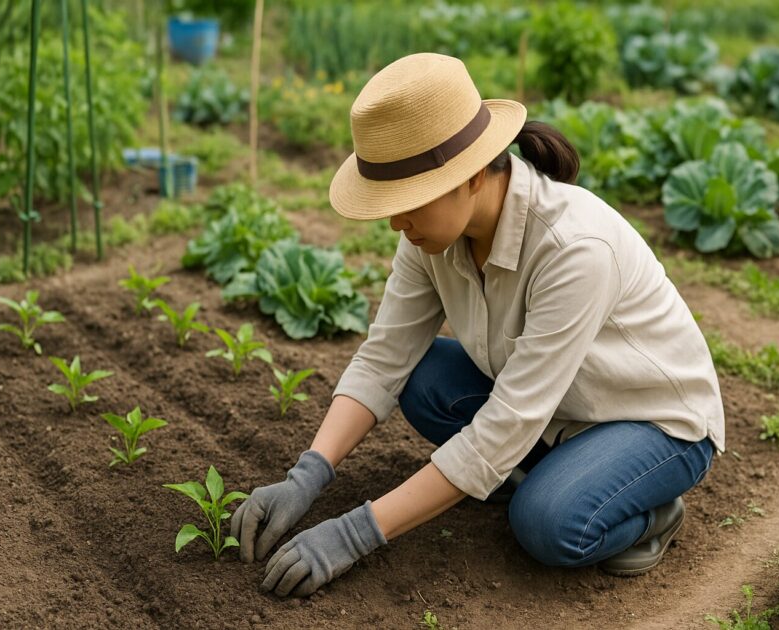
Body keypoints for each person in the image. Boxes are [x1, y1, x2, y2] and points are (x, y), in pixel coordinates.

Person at [230, 52, 725, 598]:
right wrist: (308, 474)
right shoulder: (431, 236)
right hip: (554, 410)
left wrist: (356, 532)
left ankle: (653, 511)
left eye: (407, 201)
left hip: (651, 423)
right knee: (423, 377)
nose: (396, 221)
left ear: (469, 176)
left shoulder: (573, 249)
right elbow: (384, 357)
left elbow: (509, 421)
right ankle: (548, 472)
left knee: (548, 524)